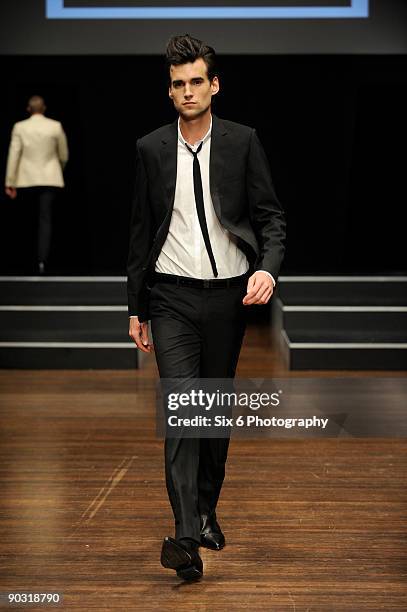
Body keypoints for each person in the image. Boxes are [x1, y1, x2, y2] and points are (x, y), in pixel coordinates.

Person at [127, 34, 286, 581]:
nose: (188, 91)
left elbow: (271, 218)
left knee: (212, 415)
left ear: (213, 86)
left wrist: (266, 267)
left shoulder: (243, 141)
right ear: (169, 93)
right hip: (169, 296)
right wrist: (136, 308)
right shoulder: (151, 148)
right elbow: (140, 234)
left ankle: (206, 509)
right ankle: (186, 538)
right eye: (178, 84)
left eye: (197, 81)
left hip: (226, 298)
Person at [5, 95, 69, 274]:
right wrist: (58, 169)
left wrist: (10, 181)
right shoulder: (55, 126)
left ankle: (27, 260)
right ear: (44, 108)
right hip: (50, 178)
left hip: (25, 179)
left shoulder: (20, 127)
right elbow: (63, 154)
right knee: (45, 220)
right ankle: (43, 261)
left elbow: (14, 154)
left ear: (28, 109)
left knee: (27, 221)